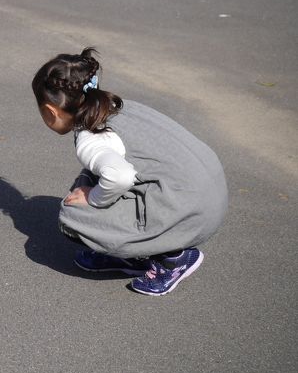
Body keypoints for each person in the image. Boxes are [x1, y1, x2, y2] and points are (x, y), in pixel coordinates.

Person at [31, 48, 227, 296]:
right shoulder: (116, 105)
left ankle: (172, 258)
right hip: (210, 195)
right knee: (90, 176)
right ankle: (130, 252)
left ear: (51, 111)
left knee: (73, 216)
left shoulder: (91, 138)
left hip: (192, 214)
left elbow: (119, 176)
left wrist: (91, 198)